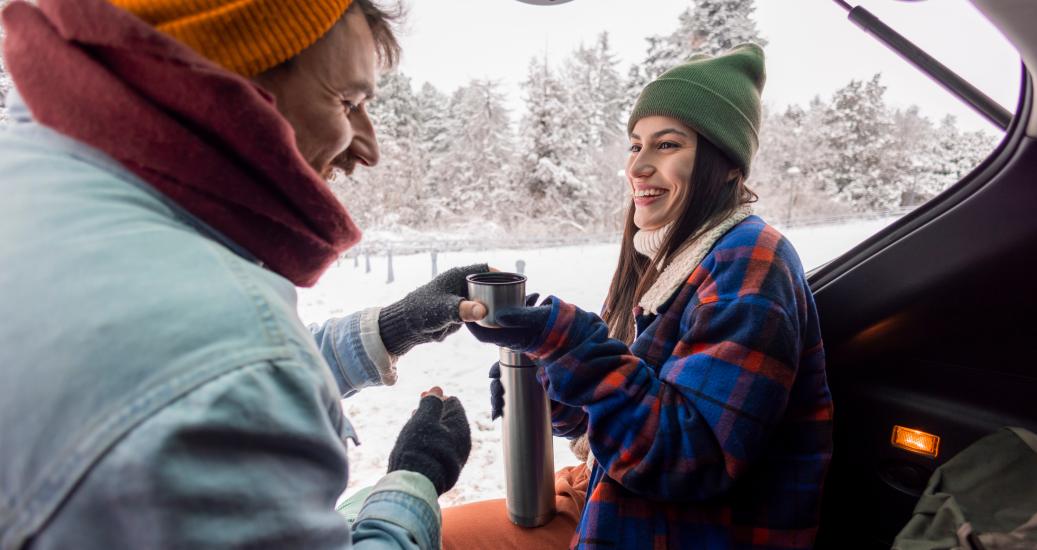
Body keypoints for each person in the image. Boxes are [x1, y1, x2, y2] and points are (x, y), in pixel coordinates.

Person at [0, 0, 487, 548]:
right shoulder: (235, 361)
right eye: (346, 101)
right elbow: (222, 376)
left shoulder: (38, 180)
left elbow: (168, 369)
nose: (367, 149)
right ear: (230, 80)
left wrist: (386, 330)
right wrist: (413, 481)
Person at [449, 44, 834, 549]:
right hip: (613, 505)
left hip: (684, 533)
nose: (638, 167)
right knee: (436, 532)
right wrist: (546, 378)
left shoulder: (751, 262)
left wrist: (571, 347)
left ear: (728, 167)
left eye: (667, 145)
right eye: (635, 146)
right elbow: (619, 424)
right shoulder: (671, 261)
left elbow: (689, 460)